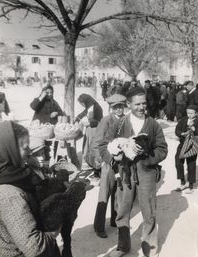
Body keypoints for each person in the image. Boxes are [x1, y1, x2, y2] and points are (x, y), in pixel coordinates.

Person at [99, 87, 168, 257]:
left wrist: (148, 157)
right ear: (128, 104)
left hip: (147, 174)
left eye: (144, 103)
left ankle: (149, 247)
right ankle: (123, 246)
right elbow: (103, 146)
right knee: (122, 211)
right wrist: (114, 156)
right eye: (137, 104)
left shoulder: (153, 124)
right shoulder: (119, 124)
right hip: (125, 174)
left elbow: (162, 149)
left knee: (148, 210)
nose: (141, 107)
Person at [0, 121, 61, 257]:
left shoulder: (8, 176)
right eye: (25, 147)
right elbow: (33, 247)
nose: (29, 152)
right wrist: (54, 232)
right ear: (10, 149)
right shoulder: (9, 194)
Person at [93, 94, 126, 238]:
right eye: (115, 107)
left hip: (123, 161)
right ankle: (99, 226)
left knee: (119, 192)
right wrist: (105, 160)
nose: (119, 109)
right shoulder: (106, 120)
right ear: (111, 108)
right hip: (108, 162)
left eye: (121, 106)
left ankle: (115, 220)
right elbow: (97, 143)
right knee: (104, 193)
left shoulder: (127, 120)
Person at [175, 105, 198, 193]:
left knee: (191, 163)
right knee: (178, 162)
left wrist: (194, 129)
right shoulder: (183, 120)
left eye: (192, 113)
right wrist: (181, 133)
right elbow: (177, 129)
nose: (190, 115)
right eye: (188, 113)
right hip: (182, 143)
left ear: (196, 113)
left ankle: (190, 185)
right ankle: (182, 182)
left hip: (192, 144)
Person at [74, 94, 103, 177]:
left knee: (94, 150)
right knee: (87, 150)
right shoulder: (89, 107)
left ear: (86, 101)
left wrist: (89, 123)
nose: (82, 105)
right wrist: (77, 118)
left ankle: (97, 171)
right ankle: (93, 167)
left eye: (82, 103)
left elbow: (99, 121)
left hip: (95, 130)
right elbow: (83, 113)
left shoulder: (97, 107)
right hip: (89, 131)